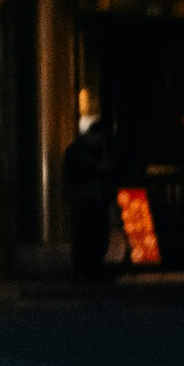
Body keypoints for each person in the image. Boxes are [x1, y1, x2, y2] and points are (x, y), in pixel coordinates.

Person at [62, 116, 116, 283]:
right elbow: (77, 172)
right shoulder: (81, 151)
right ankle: (88, 269)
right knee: (90, 234)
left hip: (88, 198)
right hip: (88, 198)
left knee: (90, 235)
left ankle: (87, 268)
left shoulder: (81, 149)